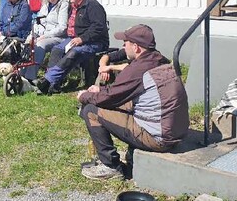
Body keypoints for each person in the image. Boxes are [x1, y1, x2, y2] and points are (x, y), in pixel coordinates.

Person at [77, 25, 189, 180]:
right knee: (120, 104)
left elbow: (109, 98)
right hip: (175, 131)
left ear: (136, 47)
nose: (123, 46)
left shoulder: (137, 69)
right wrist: (101, 91)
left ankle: (110, 166)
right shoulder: (159, 59)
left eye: (125, 42)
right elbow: (119, 93)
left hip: (158, 138)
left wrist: (85, 95)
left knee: (90, 110)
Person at [35, 0, 109, 95]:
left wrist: (82, 39)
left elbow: (99, 28)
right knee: (57, 50)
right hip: (74, 39)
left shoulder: (93, 6)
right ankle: (54, 85)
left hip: (95, 42)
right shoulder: (72, 6)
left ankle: (48, 80)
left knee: (74, 53)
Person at [20, 0, 69, 81]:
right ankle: (20, 74)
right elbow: (38, 23)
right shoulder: (45, 5)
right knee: (28, 44)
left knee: (40, 45)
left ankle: (30, 77)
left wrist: (44, 36)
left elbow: (62, 27)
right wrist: (32, 35)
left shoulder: (63, 5)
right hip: (43, 35)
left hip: (58, 37)